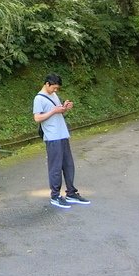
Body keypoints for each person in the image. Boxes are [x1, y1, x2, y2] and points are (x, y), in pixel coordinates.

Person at [33, 73, 90, 208]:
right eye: (54, 88)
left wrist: (64, 108)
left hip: (62, 134)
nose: (55, 90)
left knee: (68, 165)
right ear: (47, 84)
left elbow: (57, 111)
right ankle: (55, 196)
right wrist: (54, 111)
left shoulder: (53, 95)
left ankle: (71, 193)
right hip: (52, 137)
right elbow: (37, 118)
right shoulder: (38, 99)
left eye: (57, 88)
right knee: (56, 168)